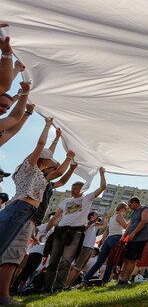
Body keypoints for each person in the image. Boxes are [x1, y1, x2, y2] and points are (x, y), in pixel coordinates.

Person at [0, 142, 76, 304]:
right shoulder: (38, 176)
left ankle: (4, 294)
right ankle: (4, 295)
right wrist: (68, 157)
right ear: (46, 166)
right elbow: (58, 171)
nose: (54, 167)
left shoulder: (45, 183)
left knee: (12, 257)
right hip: (24, 216)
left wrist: (72, 169)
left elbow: (61, 181)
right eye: (51, 165)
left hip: (30, 219)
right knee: (10, 256)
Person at [0, 117, 59, 258]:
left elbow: (48, 151)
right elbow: (41, 144)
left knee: (5, 246)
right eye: (49, 160)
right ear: (43, 159)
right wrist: (47, 125)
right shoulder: (29, 168)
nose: (51, 162)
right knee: (2, 244)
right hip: (20, 207)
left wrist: (57, 138)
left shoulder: (39, 173)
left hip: (26, 210)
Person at [43, 167, 106, 292]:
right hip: (60, 231)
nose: (72, 190)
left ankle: (57, 288)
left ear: (81, 190)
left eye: (75, 188)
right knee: (53, 261)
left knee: (66, 261)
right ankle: (46, 288)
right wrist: (46, 231)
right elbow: (56, 217)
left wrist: (101, 174)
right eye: (72, 188)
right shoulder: (66, 201)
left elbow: (102, 187)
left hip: (75, 233)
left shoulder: (87, 198)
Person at [80, 202, 128, 286]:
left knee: (98, 262)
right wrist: (132, 220)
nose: (126, 211)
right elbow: (125, 226)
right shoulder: (119, 216)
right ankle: (104, 282)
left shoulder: (112, 217)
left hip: (108, 239)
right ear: (122, 209)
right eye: (125, 209)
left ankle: (85, 280)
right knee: (110, 263)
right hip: (116, 239)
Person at [65, 211, 106, 288]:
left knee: (80, 269)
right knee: (77, 267)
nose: (98, 216)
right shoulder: (88, 223)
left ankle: (70, 285)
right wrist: (103, 216)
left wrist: (105, 217)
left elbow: (104, 224)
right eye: (96, 214)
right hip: (85, 246)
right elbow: (99, 224)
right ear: (91, 216)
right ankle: (66, 285)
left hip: (90, 247)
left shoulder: (94, 225)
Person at [119, 197, 148, 285]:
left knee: (132, 259)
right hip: (130, 239)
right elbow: (130, 225)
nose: (129, 207)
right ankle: (122, 279)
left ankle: (125, 279)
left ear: (135, 202)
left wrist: (133, 234)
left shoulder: (145, 209)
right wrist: (125, 235)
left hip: (139, 239)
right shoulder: (133, 213)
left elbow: (144, 221)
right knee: (126, 259)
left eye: (130, 204)